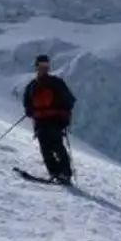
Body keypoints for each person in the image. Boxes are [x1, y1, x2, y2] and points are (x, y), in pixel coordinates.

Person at [23, 54, 76, 183]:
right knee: (46, 148)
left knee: (56, 147)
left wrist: (63, 116)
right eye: (42, 66)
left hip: (53, 121)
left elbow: (69, 100)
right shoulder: (36, 86)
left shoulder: (37, 85)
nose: (44, 68)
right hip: (42, 122)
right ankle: (57, 173)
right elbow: (27, 104)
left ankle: (64, 174)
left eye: (46, 66)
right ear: (36, 67)